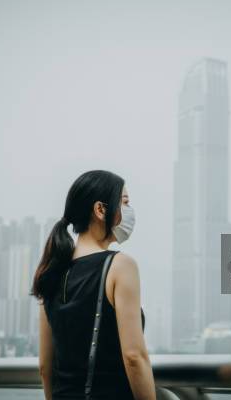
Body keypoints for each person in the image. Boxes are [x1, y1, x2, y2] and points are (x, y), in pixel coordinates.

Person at [31, 170, 156, 400]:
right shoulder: (120, 266)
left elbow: (45, 368)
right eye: (125, 202)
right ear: (100, 210)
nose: (129, 212)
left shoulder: (51, 272)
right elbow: (134, 357)